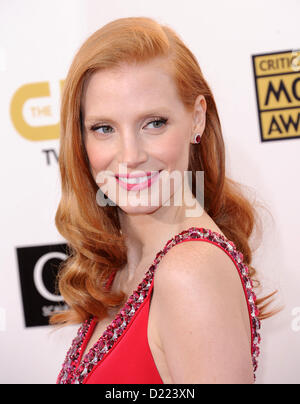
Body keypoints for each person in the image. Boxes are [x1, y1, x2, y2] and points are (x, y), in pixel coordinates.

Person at [51, 16, 277, 384]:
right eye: (104, 128)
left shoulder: (191, 271)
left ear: (197, 119)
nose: (130, 155)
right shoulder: (119, 269)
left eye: (153, 122)